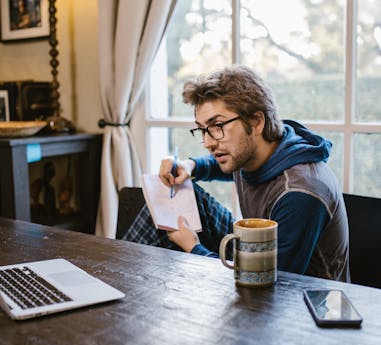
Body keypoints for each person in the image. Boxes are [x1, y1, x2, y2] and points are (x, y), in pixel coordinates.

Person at [123, 65, 350, 282]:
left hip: (301, 302)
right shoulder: (255, 152)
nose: (208, 142)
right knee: (170, 194)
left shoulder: (300, 192)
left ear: (256, 121)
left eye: (217, 126)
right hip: (258, 255)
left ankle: (123, 285)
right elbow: (222, 167)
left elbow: (266, 283)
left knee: (179, 237)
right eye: (203, 130)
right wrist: (190, 166)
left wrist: (193, 248)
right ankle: (122, 277)